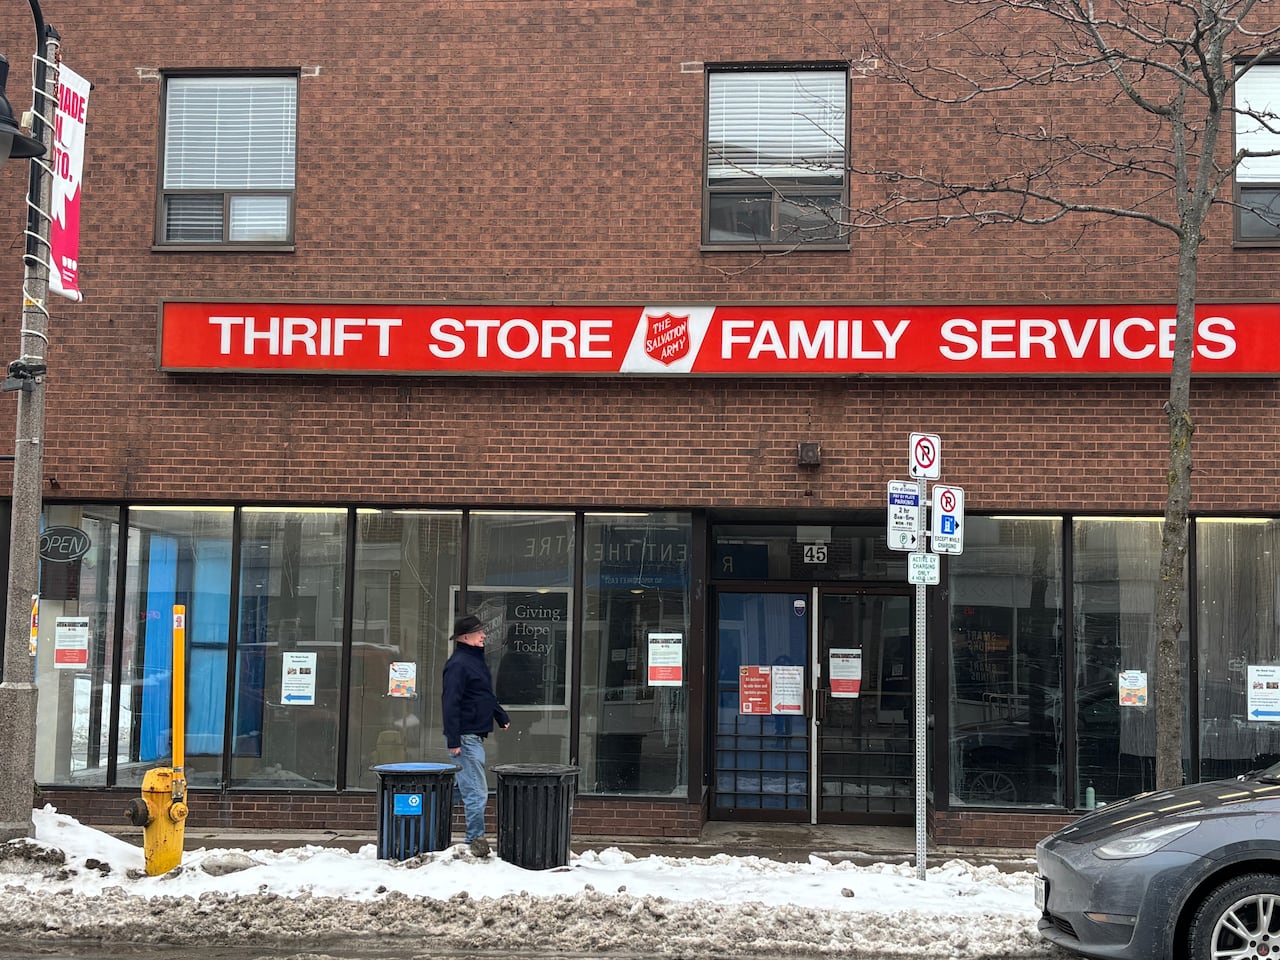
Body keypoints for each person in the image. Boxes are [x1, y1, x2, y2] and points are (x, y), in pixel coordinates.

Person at [441, 614, 509, 857]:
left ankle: (423, 815)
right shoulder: (459, 664)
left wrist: (500, 715)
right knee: (476, 791)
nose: (484, 636)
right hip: (465, 737)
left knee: (461, 789)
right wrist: (453, 740)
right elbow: (451, 703)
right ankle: (475, 841)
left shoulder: (474, 662)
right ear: (465, 637)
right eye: (479, 633)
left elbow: (483, 694)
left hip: (473, 736)